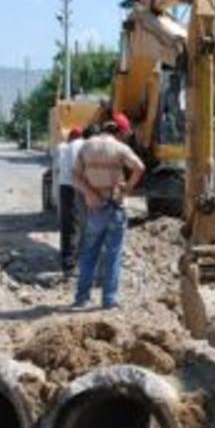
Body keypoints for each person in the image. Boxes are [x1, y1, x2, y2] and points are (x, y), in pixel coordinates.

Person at [71, 113, 145, 309]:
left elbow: (75, 176)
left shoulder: (86, 146)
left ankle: (82, 298)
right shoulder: (120, 148)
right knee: (113, 254)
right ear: (119, 132)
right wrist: (127, 188)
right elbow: (140, 167)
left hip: (95, 207)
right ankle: (109, 299)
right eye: (125, 134)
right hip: (115, 205)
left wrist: (89, 193)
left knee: (89, 253)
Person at [55, 127, 85, 275]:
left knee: (68, 226)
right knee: (76, 226)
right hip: (75, 187)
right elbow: (77, 169)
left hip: (64, 187)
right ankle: (71, 264)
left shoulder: (63, 147)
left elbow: (58, 168)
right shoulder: (80, 145)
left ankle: (67, 262)